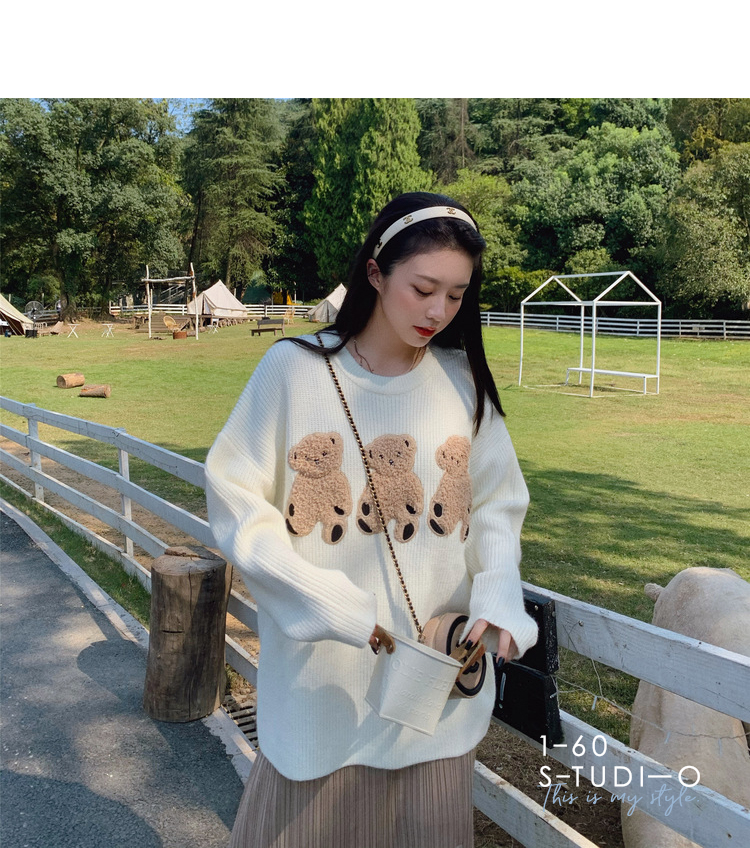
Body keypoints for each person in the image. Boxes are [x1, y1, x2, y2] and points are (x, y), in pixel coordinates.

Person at [205, 192, 539, 848]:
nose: (439, 311)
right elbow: (237, 502)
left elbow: (498, 504)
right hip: (321, 689)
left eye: (456, 294)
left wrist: (498, 592)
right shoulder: (293, 371)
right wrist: (317, 595)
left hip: (432, 695)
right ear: (376, 274)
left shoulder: (463, 385)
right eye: (423, 289)